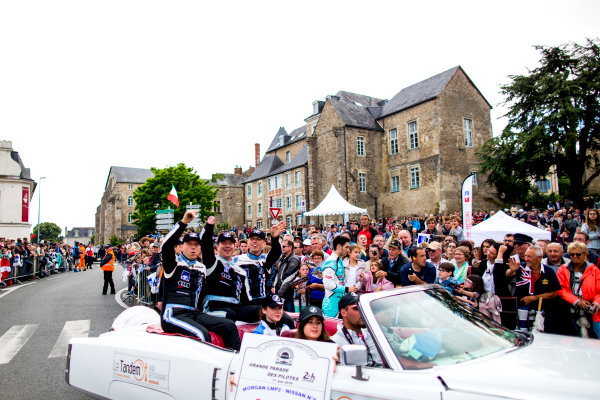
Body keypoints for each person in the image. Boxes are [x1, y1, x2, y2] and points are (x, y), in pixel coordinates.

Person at [161, 211, 241, 351]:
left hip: (194, 313)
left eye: (196, 245)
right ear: (182, 246)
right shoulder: (173, 264)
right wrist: (184, 221)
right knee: (202, 334)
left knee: (229, 325)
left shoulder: (201, 268)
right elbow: (166, 246)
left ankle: (234, 364)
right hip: (173, 314)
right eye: (189, 244)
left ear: (200, 248)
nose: (193, 247)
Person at [507, 245, 561, 333]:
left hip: (542, 313)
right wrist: (512, 270)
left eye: (529, 256)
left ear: (539, 258)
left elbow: (553, 293)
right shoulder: (521, 268)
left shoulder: (548, 271)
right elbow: (508, 274)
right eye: (525, 256)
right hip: (521, 311)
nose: (526, 259)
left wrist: (534, 298)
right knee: (522, 334)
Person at [556, 242, 600, 338]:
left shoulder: (594, 270)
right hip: (570, 309)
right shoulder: (563, 269)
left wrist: (596, 303)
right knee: (572, 338)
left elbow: (599, 291)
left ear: (585, 255)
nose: (575, 256)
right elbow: (561, 290)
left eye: (578, 254)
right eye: (572, 254)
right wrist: (577, 301)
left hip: (591, 311)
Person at [234, 228, 282, 308]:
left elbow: (276, 252)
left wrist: (275, 238)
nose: (255, 241)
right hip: (242, 303)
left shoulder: (265, 260)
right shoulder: (237, 259)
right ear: (248, 242)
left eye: (258, 239)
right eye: (252, 239)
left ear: (264, 244)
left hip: (261, 303)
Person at [331, 292, 382, 366]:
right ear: (343, 312)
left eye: (362, 307)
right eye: (356, 308)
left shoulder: (371, 335)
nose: (362, 311)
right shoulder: (335, 342)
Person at [322, 235, 351, 317]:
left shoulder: (339, 261)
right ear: (339, 246)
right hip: (331, 305)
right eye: (346, 247)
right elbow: (327, 284)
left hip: (338, 302)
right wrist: (346, 289)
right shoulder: (331, 261)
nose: (348, 250)